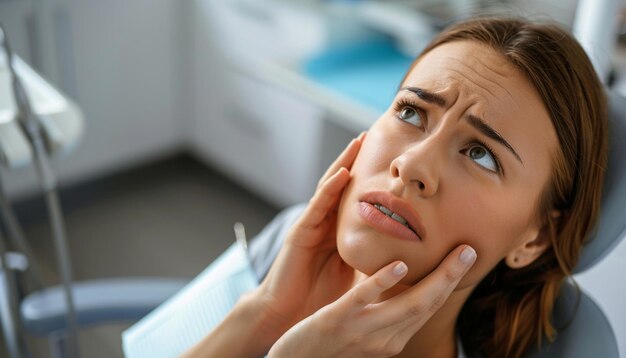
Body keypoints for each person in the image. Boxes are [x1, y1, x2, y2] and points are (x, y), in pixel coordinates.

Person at [182, 16, 608, 358]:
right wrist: (263, 316)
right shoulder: (292, 242)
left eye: (480, 153)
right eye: (410, 112)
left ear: (536, 239)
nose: (410, 164)